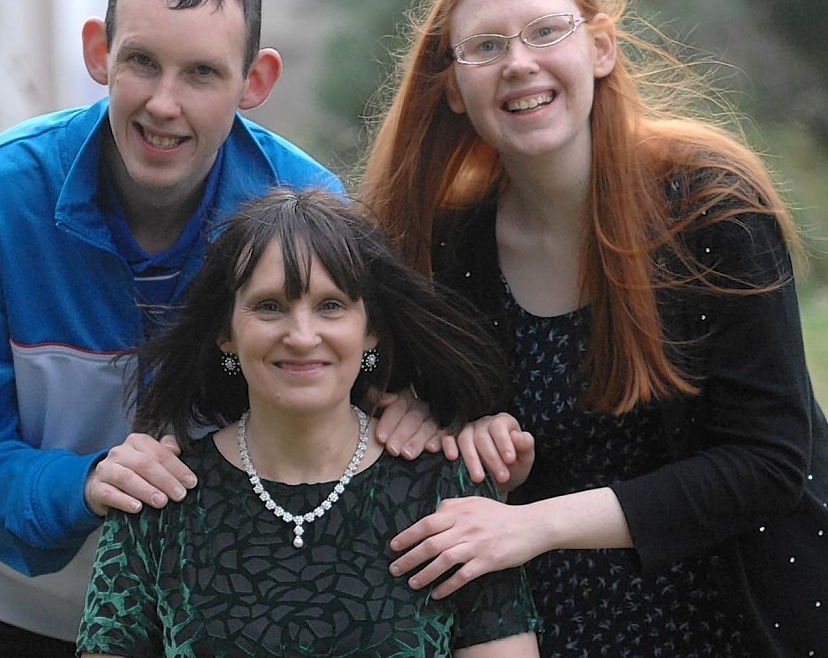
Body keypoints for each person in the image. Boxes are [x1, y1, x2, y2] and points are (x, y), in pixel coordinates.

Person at [0, 0, 386, 658]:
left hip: (201, 612)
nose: (164, 103)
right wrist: (83, 483)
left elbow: (360, 386)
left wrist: (409, 408)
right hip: (5, 608)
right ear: (99, 51)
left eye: (201, 73)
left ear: (254, 81)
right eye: (141, 62)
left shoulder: (306, 208)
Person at [361, 0, 828, 658]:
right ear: (451, 88)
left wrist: (535, 522)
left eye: (545, 32)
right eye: (484, 47)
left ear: (600, 49)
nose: (518, 63)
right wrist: (426, 407)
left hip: (736, 615)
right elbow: (343, 368)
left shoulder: (711, 210)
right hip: (546, 627)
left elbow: (766, 464)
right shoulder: (448, 245)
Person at [76, 187, 541, 657]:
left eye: (330, 305)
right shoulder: (156, 502)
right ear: (225, 334)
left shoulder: (449, 492)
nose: (301, 336)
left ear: (371, 330)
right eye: (270, 306)